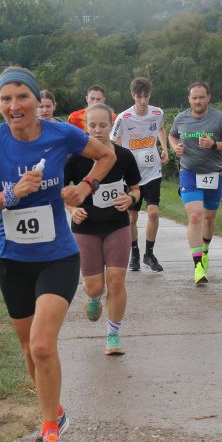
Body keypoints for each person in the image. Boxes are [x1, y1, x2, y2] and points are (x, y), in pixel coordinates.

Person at [0, 66, 116, 442]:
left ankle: (50, 431)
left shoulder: (60, 134)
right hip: (14, 261)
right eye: (6, 99)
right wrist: (11, 193)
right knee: (28, 350)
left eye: (22, 97)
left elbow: (107, 155)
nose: (14, 106)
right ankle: (57, 410)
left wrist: (84, 187)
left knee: (41, 345)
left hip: (57, 257)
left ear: (37, 101)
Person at [64, 103, 142, 355]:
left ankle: (113, 335)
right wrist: (72, 209)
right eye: (92, 125)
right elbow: (62, 191)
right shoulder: (76, 158)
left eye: (103, 125)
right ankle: (93, 296)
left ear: (111, 126)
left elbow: (136, 189)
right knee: (96, 286)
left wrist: (130, 198)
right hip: (86, 227)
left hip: (117, 225)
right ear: (85, 126)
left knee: (117, 280)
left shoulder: (124, 156)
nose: (97, 130)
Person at [168, 81, 222, 285]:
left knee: (209, 219)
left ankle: (205, 250)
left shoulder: (220, 119)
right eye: (194, 98)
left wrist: (214, 144)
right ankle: (198, 265)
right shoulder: (181, 118)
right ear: (189, 99)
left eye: (201, 97)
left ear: (209, 97)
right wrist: (175, 147)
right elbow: (172, 135)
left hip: (213, 174)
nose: (198, 101)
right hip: (189, 173)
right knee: (194, 216)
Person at [111, 77, 168, 272]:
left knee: (153, 212)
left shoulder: (157, 113)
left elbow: (161, 128)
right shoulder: (123, 117)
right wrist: (119, 162)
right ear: (133, 96)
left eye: (146, 96)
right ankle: (134, 253)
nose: (143, 101)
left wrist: (164, 148)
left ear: (150, 95)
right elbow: (113, 141)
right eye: (139, 97)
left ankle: (149, 254)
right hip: (131, 174)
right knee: (132, 218)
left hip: (152, 170)